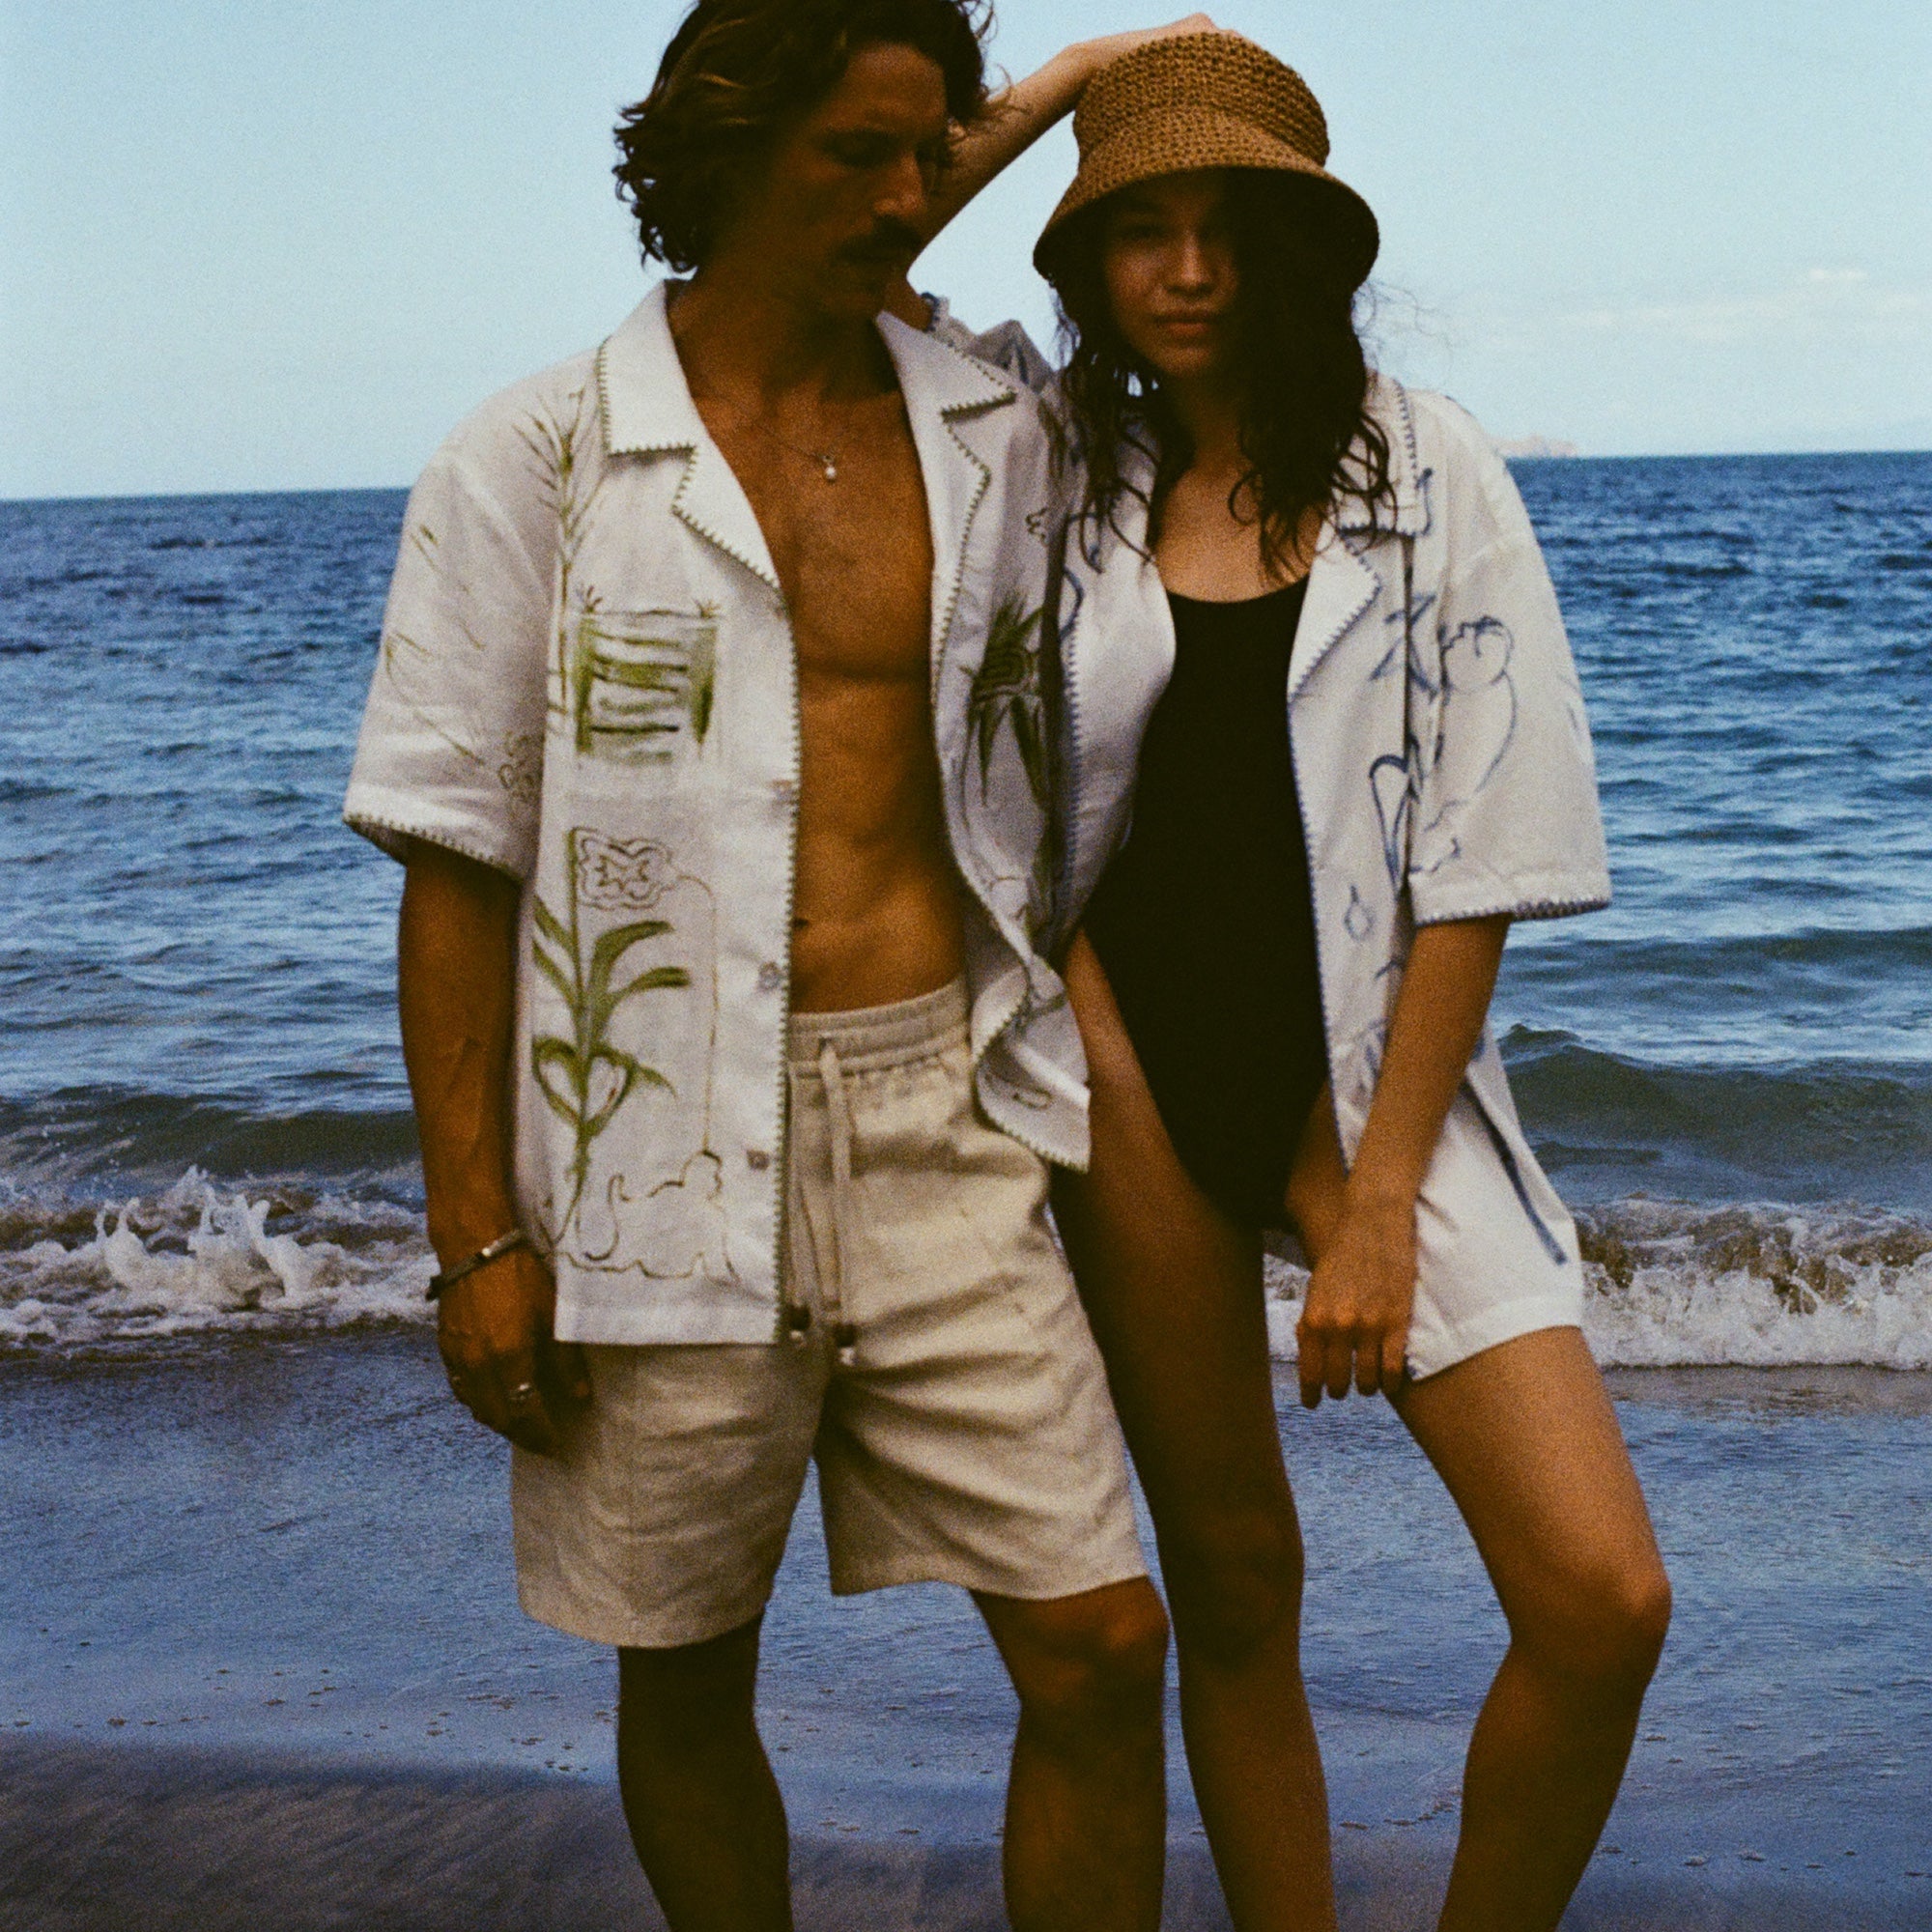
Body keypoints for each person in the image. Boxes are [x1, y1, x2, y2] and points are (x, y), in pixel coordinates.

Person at [340, 5, 1205, 1927]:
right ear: (726, 152)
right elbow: (454, 864)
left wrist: (1048, 91)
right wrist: (476, 1234)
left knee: (1099, 1643)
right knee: (686, 1655)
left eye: (928, 156)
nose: (907, 198)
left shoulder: (983, 417)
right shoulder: (537, 459)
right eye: (854, 158)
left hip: (942, 1113)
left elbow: (896, 201)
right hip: (648, 1140)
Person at [906, 30, 1674, 1932]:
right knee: (1235, 1584)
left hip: (1367, 1091)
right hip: (1126, 1061)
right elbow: (868, 233)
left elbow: (1478, 854)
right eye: (1135, 230)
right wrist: (1086, 75)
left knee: (1599, 1598)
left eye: (1221, 227)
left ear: (1292, 248)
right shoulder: (1044, 456)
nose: (1180, 272)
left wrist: (1383, 1198)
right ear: (1084, 264)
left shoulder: (1423, 465)